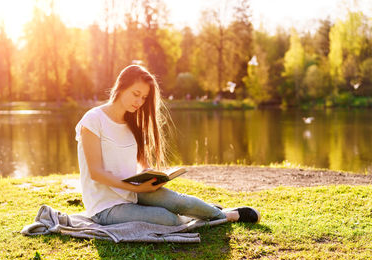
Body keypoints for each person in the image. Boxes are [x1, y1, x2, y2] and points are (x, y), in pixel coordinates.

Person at [75, 65, 260, 226]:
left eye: (144, 98)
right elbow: (96, 173)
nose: (139, 102)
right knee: (166, 219)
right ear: (121, 87)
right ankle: (224, 216)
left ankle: (217, 213)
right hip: (105, 206)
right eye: (136, 94)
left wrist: (151, 177)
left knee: (183, 203)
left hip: (133, 192)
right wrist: (137, 189)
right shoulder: (93, 120)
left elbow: (139, 163)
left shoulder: (132, 122)